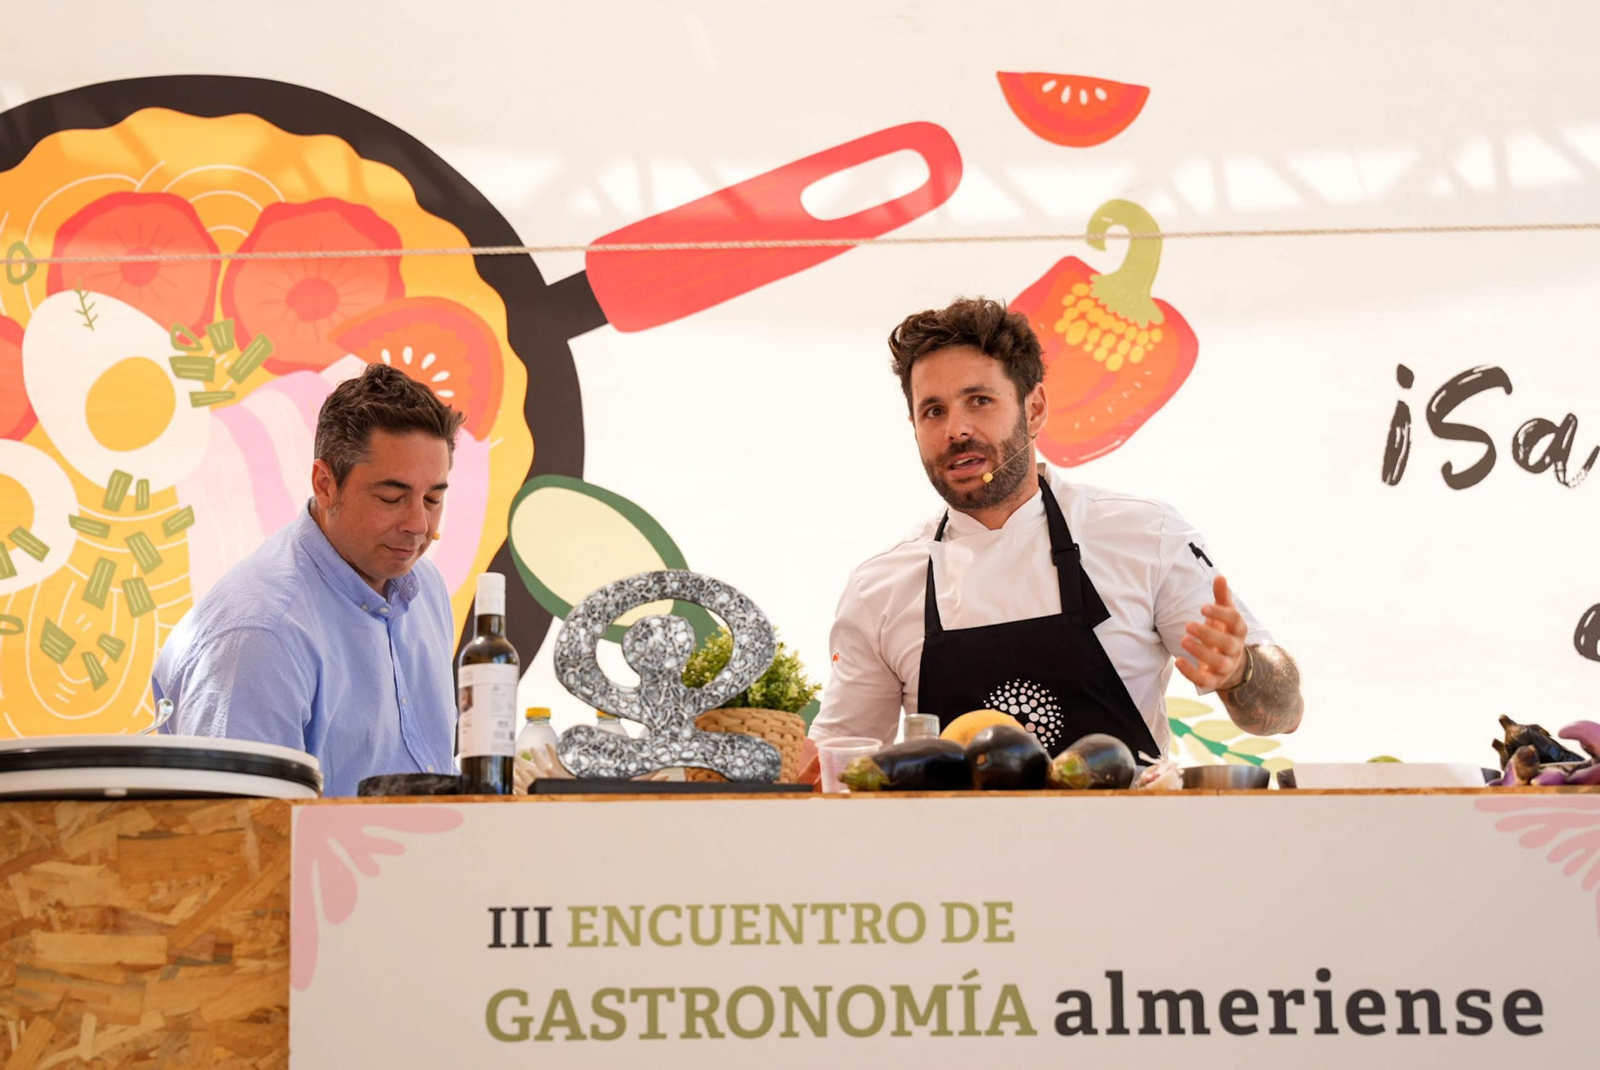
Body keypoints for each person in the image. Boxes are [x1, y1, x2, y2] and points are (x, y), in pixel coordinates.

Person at [808, 297, 1303, 762]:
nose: (955, 430)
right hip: (955, 831)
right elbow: (840, 762)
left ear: (1035, 409)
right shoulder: (880, 588)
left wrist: (1240, 673)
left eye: (979, 400)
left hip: (1128, 827)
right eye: (933, 411)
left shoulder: (1148, 537)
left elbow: (1285, 714)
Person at [153, 364, 464, 796]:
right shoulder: (258, 634)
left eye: (433, 499)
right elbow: (244, 828)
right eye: (391, 497)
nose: (419, 525)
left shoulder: (424, 585)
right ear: (325, 484)